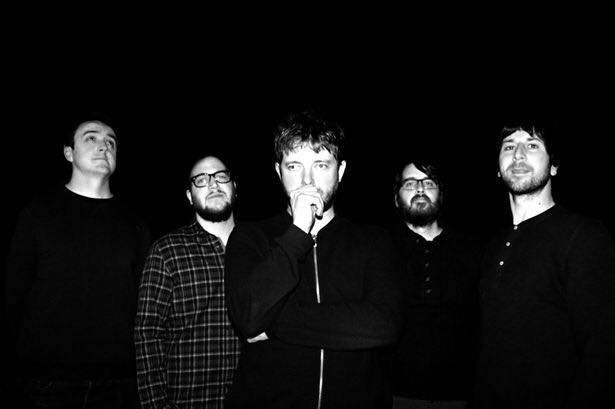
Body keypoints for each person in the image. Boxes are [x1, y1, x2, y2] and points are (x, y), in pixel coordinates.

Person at [224, 111, 402, 409]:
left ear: (340, 171)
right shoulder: (250, 236)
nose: (307, 180)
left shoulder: (374, 241)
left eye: (321, 165)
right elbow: (248, 316)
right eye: (294, 166)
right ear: (279, 172)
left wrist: (275, 325)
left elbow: (383, 324)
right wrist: (297, 233)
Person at [5, 118, 151, 408]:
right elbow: (14, 294)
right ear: (68, 152)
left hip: (118, 383)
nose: (104, 146)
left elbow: (145, 303)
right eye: (91, 138)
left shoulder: (135, 223)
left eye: (111, 142)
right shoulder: (38, 213)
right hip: (47, 382)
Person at [476, 121, 615, 408]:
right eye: (509, 146)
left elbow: (601, 350)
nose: (518, 155)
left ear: (554, 166)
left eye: (532, 145)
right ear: (498, 169)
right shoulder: (491, 245)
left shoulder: (583, 235)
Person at [135, 155, 241, 409]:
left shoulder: (261, 246)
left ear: (234, 187)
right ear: (189, 196)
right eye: (201, 180)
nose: (213, 184)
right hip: (189, 399)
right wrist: (157, 405)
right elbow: (147, 333)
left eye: (221, 176)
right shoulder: (167, 251)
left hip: (254, 397)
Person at [390, 159, 480, 409]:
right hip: (392, 395)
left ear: (441, 195)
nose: (420, 189)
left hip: (460, 396)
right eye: (410, 183)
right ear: (396, 198)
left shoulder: (472, 251)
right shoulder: (378, 248)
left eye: (429, 183)